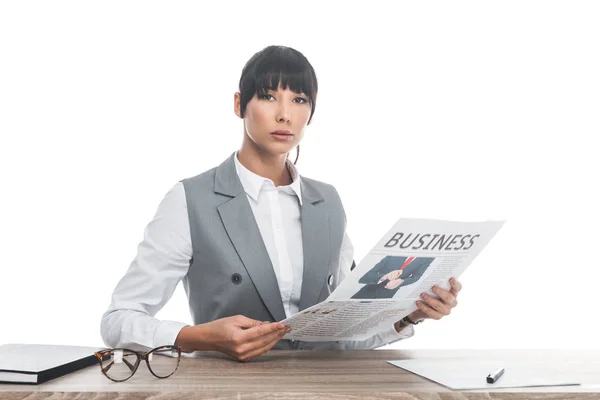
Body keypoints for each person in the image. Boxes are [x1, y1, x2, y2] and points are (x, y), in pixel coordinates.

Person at [100, 45, 462, 362]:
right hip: (228, 389)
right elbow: (119, 319)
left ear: (311, 113)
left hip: (323, 390)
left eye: (299, 100)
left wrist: (409, 316)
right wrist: (199, 338)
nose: (285, 114)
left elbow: (343, 334)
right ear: (240, 104)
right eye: (269, 96)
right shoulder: (190, 199)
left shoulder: (328, 202)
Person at [351, 256, 435, 299]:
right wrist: (384, 276)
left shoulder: (427, 258)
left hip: (387, 297)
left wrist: (401, 282)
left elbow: (417, 276)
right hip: (365, 294)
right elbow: (365, 277)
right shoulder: (395, 252)